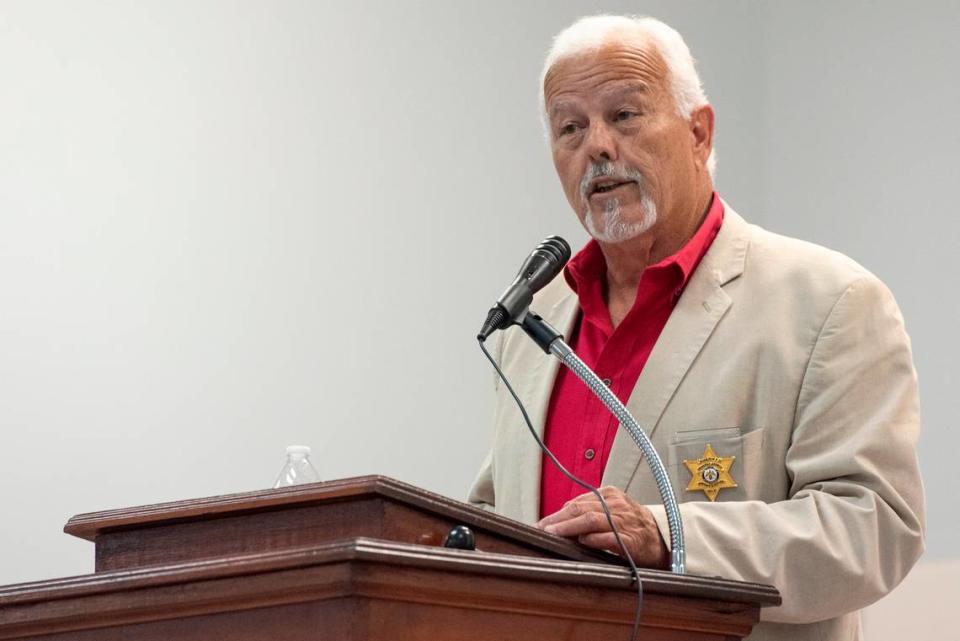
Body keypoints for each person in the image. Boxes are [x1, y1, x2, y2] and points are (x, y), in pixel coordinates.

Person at [468, 14, 924, 641]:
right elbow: (499, 520)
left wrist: (669, 536)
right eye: (569, 127)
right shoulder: (536, 322)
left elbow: (871, 530)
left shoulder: (829, 302)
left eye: (624, 115)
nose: (596, 146)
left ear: (699, 133)